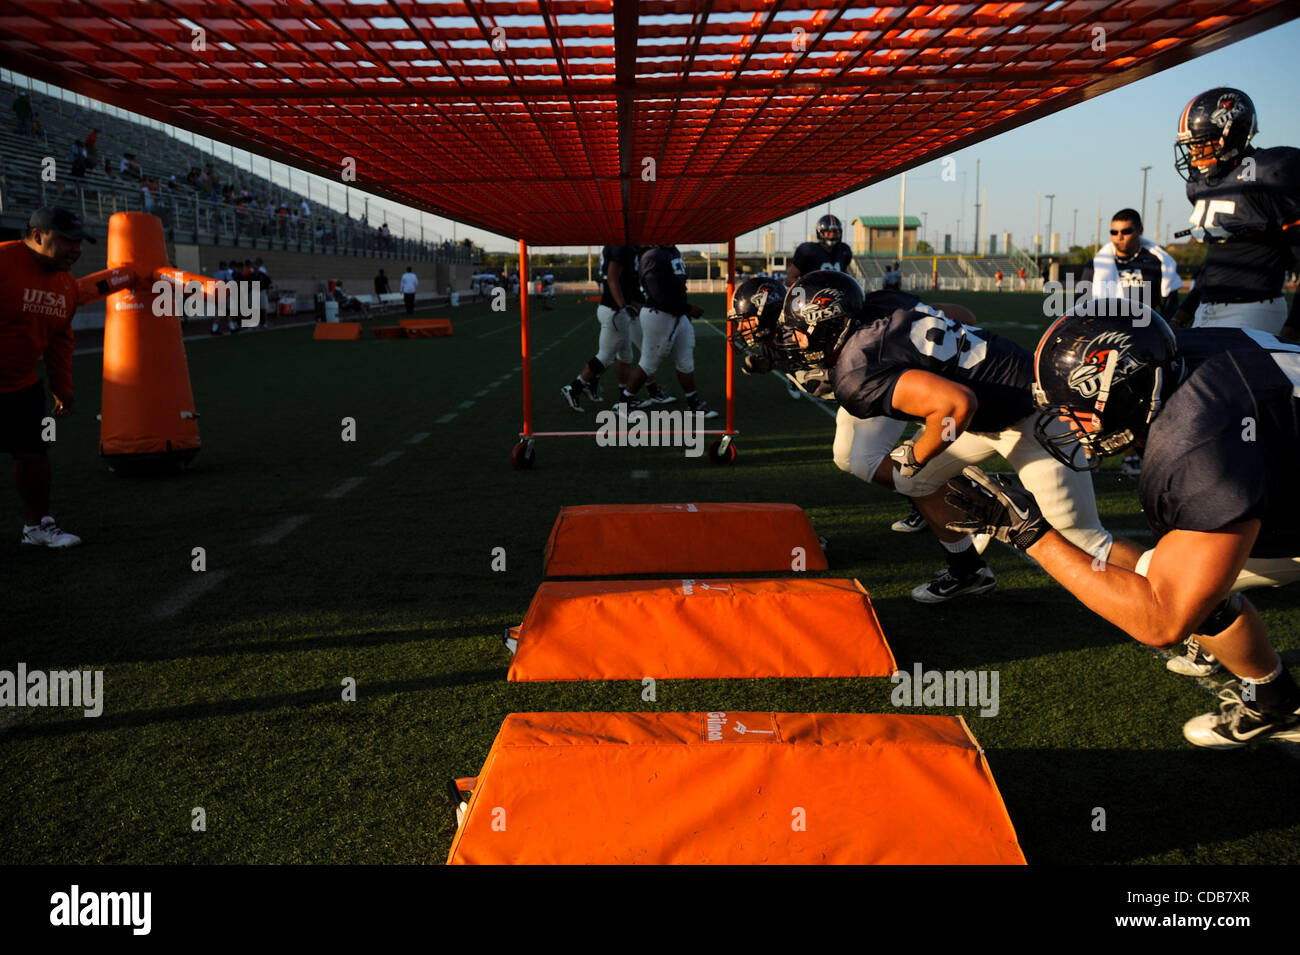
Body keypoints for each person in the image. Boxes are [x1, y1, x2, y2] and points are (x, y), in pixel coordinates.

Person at [950, 306, 1300, 747]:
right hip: (1271, 453)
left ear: (1128, 389)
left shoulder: (1202, 447)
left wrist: (1029, 535)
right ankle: (1273, 699)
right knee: (1177, 574)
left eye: (1074, 409)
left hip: (1247, 463)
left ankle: (1275, 704)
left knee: (1170, 591)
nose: (1068, 424)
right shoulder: (1178, 358)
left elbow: (1161, 622)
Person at [777, 269, 1112, 602]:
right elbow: (962, 316)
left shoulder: (856, 373)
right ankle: (968, 570)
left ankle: (1162, 603)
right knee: (913, 481)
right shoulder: (883, 303)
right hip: (985, 413)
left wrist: (916, 455)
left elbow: (956, 404)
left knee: (1084, 540)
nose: (796, 339)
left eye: (800, 330)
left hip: (1031, 413)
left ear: (827, 321)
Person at [1172, 88, 1300, 339]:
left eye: (1200, 143)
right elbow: (1217, 257)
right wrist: (1185, 311)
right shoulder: (1201, 184)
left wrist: (1293, 327)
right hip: (1206, 307)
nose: (1194, 154)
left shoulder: (1269, 170)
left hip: (1254, 308)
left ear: (1230, 134)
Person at [0, 207, 92, 548]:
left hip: (22, 384)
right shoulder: (4, 261)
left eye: (80, 242)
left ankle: (36, 527)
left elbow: (59, 341)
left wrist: (63, 389)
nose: (77, 249)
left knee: (34, 454)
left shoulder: (67, 284)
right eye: (68, 240)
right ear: (38, 236)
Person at [618, 244, 717, 418]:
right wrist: (686, 308)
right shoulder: (652, 255)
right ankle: (623, 405)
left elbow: (677, 286)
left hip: (677, 315)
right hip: (659, 314)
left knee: (685, 360)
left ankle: (694, 405)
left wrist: (683, 310)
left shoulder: (672, 251)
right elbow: (658, 294)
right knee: (649, 363)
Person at [786, 215, 853, 286]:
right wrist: (809, 287)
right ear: (820, 233)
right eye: (828, 232)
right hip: (814, 295)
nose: (832, 235)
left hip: (835, 295)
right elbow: (790, 279)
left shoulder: (843, 250)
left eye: (835, 232)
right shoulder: (808, 250)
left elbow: (846, 277)